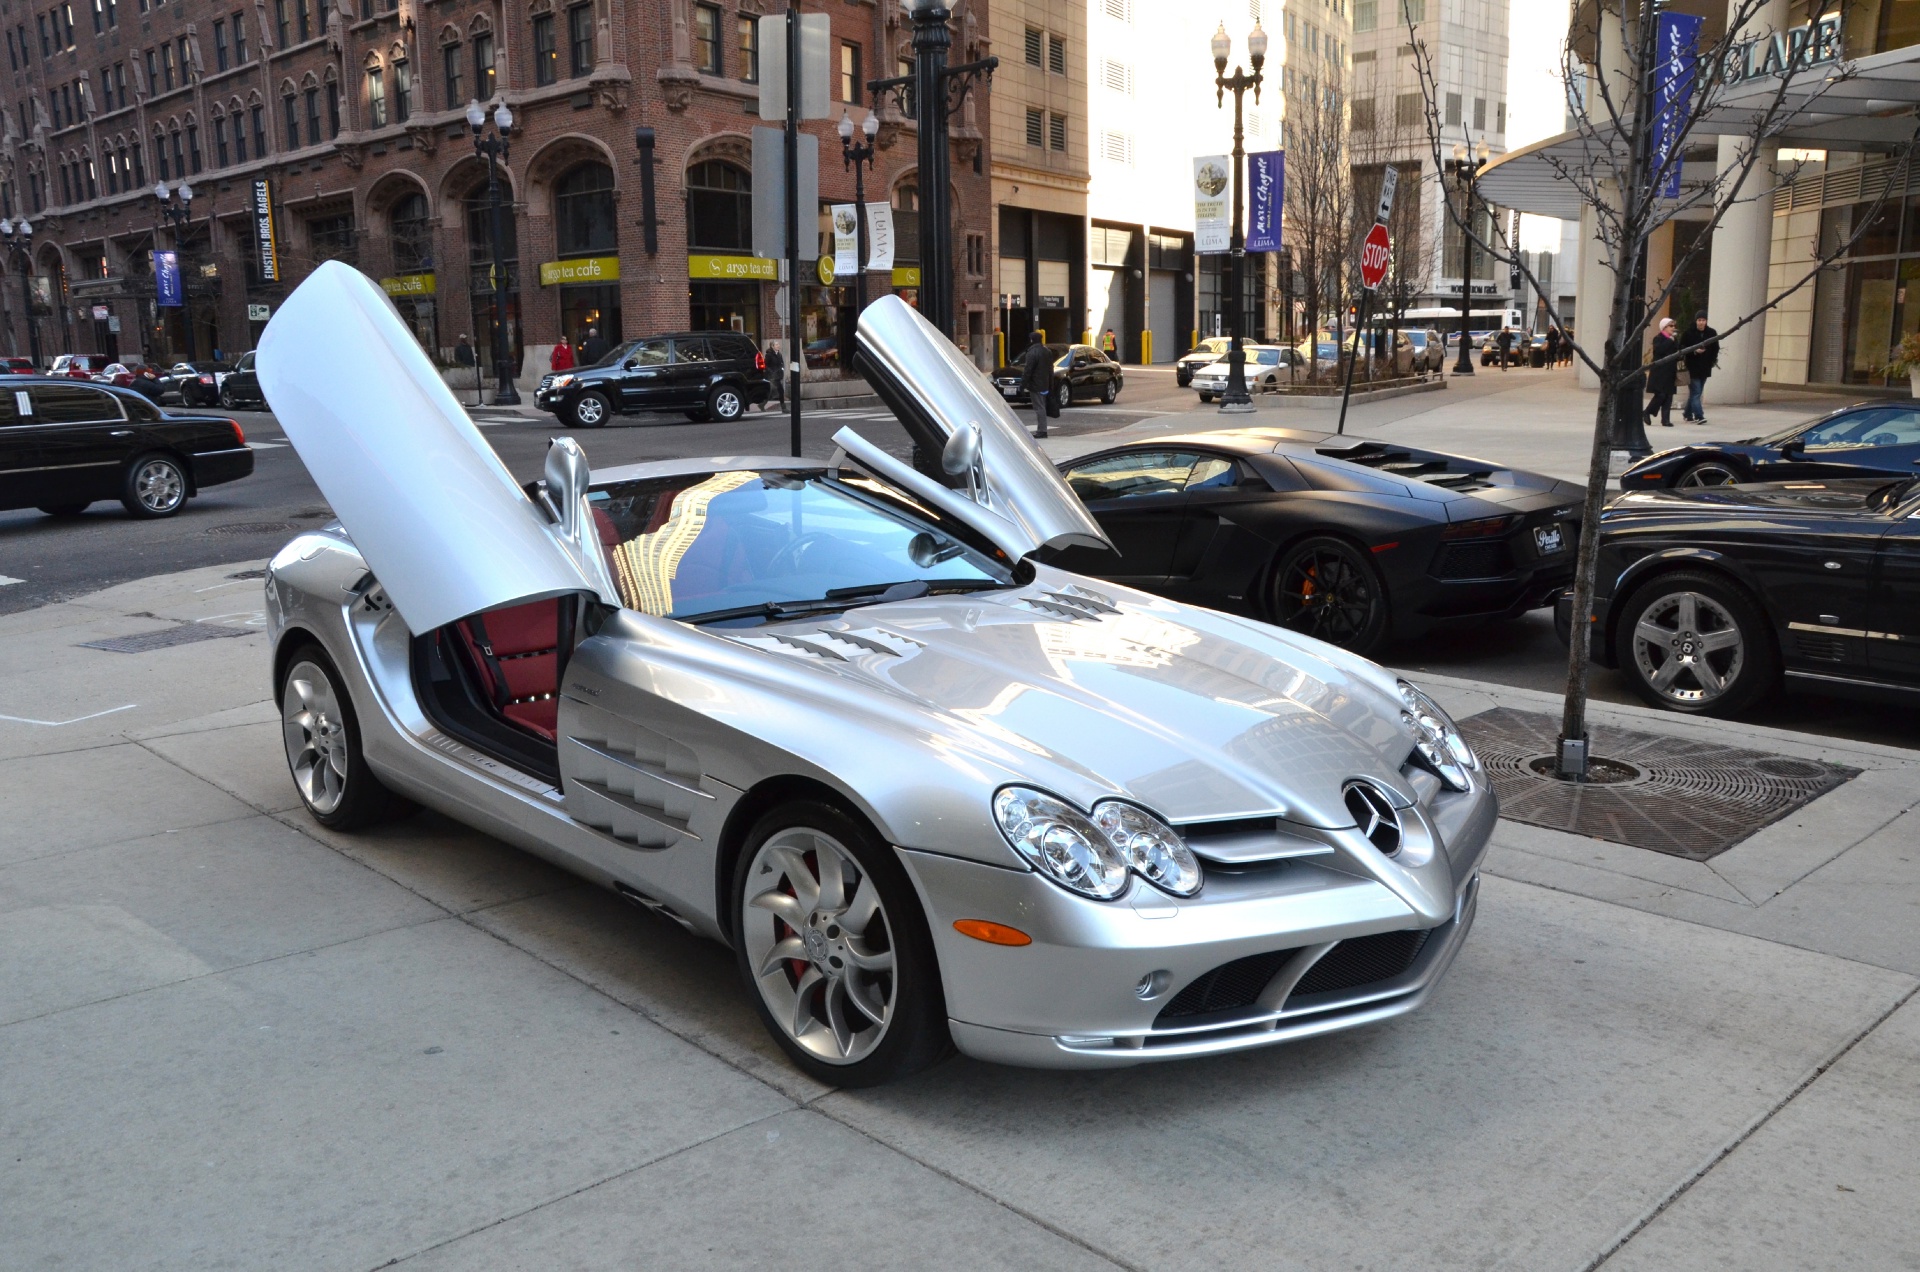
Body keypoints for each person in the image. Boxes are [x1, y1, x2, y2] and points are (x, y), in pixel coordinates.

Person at [1680, 310, 1719, 424]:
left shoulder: (1711, 333)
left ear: (1706, 321)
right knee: (1696, 392)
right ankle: (1699, 415)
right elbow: (1682, 348)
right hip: (1692, 367)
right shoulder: (1688, 333)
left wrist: (1711, 361)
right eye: (1699, 320)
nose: (1701, 323)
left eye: (1703, 320)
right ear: (1696, 321)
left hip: (1705, 367)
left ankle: (1687, 413)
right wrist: (1694, 351)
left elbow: (1715, 348)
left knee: (1696, 392)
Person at [1644, 317, 1679, 428]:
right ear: (1664, 327)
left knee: (1669, 396)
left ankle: (1665, 420)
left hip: (1670, 371)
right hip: (1659, 372)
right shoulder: (1658, 338)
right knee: (1660, 395)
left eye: (1674, 326)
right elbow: (1659, 351)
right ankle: (1647, 411)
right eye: (1671, 326)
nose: (1673, 328)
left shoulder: (1673, 339)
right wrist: (1669, 341)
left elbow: (1677, 353)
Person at [1020, 332, 1054, 439]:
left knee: (1039, 408)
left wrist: (1022, 385)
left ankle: (1042, 431)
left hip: (1035, 384)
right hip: (1044, 383)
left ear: (1032, 340)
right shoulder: (1047, 351)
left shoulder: (1032, 352)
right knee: (1042, 406)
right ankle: (1042, 430)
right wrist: (1051, 384)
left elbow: (1028, 370)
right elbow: (1050, 369)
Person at [763, 341, 785, 411]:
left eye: (778, 344)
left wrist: (782, 368)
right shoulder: (769, 355)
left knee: (773, 392)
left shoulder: (779, 354)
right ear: (772, 346)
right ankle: (783, 408)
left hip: (777, 375)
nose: (778, 346)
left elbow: (781, 363)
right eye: (776, 344)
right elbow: (765, 365)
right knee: (780, 391)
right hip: (771, 376)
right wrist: (771, 372)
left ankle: (762, 404)